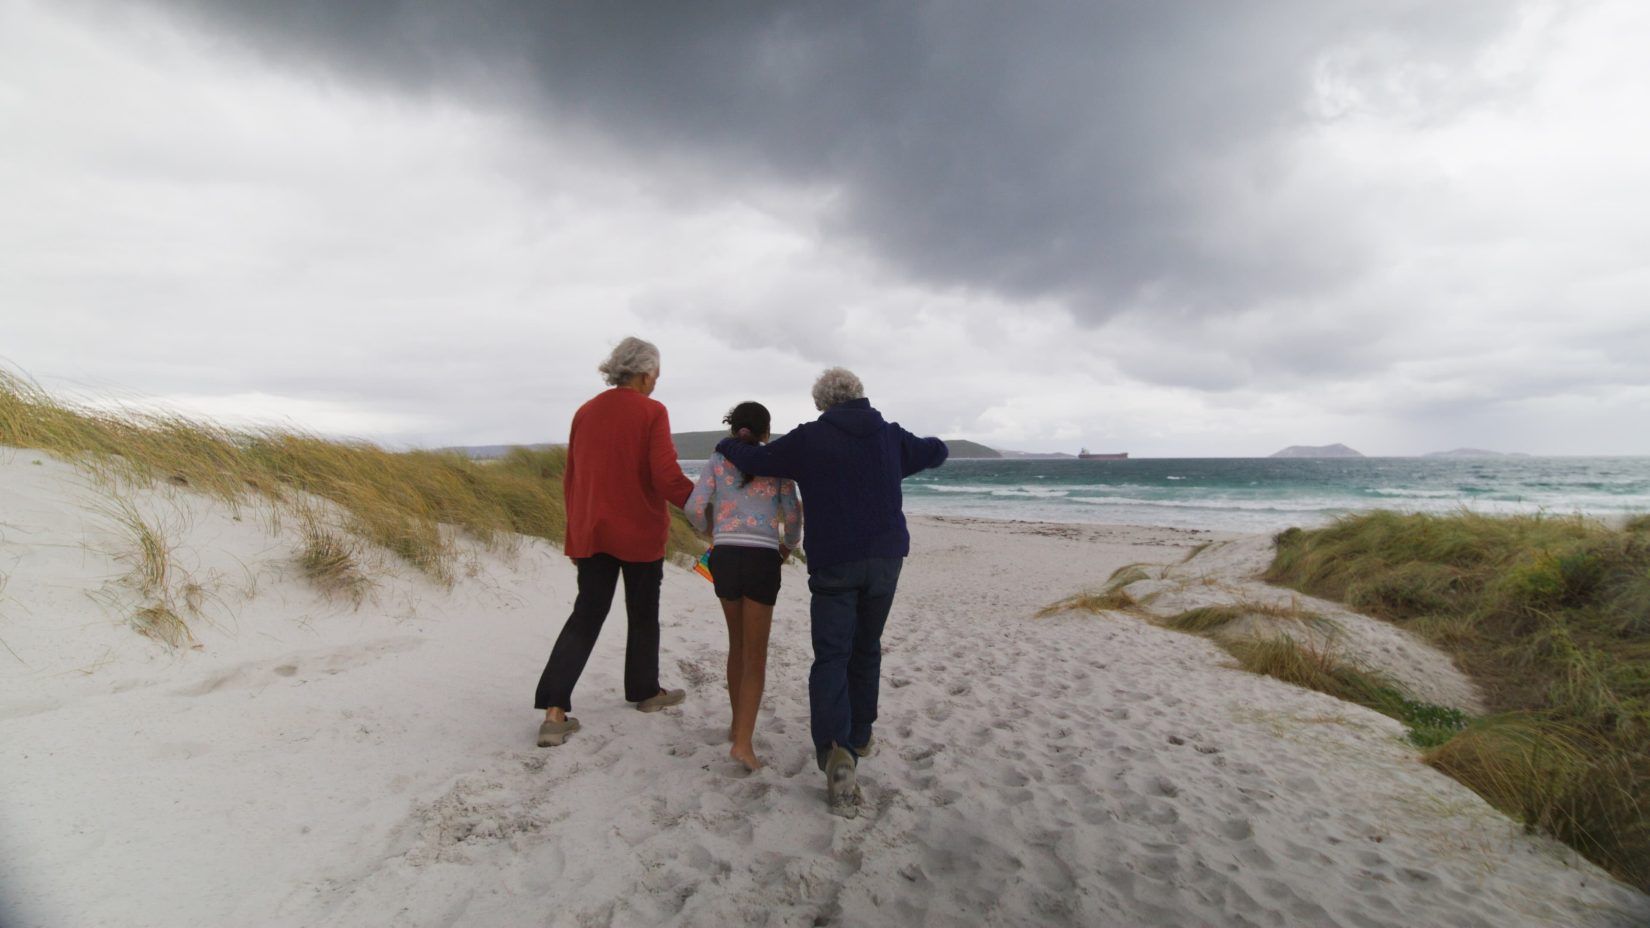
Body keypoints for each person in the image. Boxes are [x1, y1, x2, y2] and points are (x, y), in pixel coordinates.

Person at [714, 368, 948, 816]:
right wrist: (937, 446)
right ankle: (861, 733)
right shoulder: (890, 436)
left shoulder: (810, 438)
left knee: (832, 655)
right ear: (859, 395)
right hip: (885, 558)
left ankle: (838, 751)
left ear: (822, 403)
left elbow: (756, 461)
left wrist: (726, 444)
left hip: (835, 561)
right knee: (867, 647)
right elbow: (934, 451)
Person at [534, 336, 694, 747]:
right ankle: (645, 692)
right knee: (643, 614)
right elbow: (665, 476)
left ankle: (555, 712)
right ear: (644, 373)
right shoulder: (652, 411)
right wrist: (703, 508)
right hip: (639, 531)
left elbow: (573, 478)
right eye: (656, 373)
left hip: (593, 531)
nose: (657, 381)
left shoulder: (585, 411)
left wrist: (575, 535)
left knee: (586, 616)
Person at [683, 402, 803, 772]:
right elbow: (795, 517)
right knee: (756, 655)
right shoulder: (777, 465)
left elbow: (693, 507)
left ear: (735, 428)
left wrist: (713, 533)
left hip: (726, 556)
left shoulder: (718, 461)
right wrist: (788, 545)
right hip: (762, 559)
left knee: (736, 645)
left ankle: (737, 724)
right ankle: (743, 744)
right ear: (766, 432)